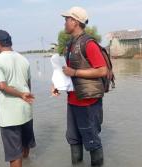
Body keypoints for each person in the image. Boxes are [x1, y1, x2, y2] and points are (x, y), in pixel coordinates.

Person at [52, 6, 108, 167]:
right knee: (73, 139)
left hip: (88, 103)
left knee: (92, 141)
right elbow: (67, 72)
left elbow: (102, 70)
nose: (64, 22)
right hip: (73, 102)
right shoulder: (70, 44)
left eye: (67, 19)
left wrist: (75, 72)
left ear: (75, 22)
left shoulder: (89, 44)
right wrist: (57, 85)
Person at [0, 30, 36, 167]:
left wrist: (20, 94)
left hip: (10, 116)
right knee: (25, 147)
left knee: (14, 155)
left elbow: (2, 86)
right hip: (26, 110)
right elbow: (28, 86)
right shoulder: (23, 59)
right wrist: (23, 95)